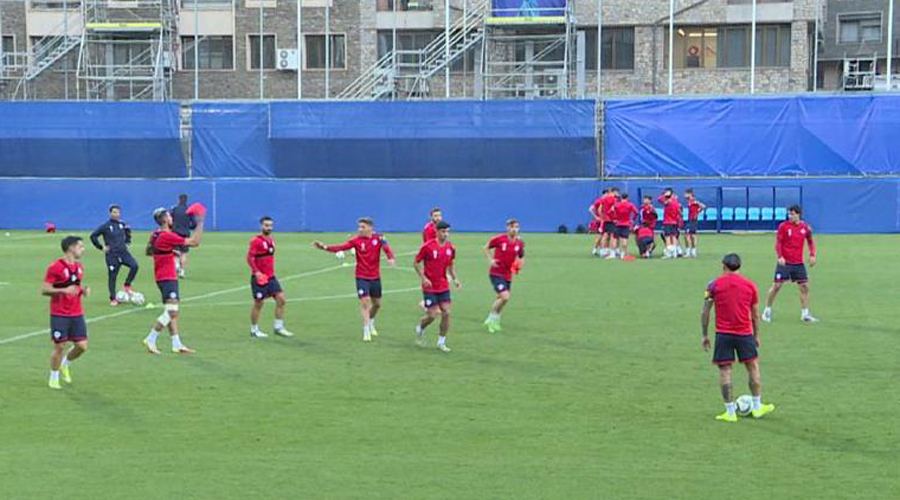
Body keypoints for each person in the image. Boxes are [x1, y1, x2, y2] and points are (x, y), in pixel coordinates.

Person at [701, 253, 775, 422]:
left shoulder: (712, 285)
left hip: (723, 334)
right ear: (740, 267)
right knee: (753, 367)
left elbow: (705, 311)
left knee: (725, 370)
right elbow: (755, 315)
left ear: (723, 266)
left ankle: (730, 412)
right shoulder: (750, 286)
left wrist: (705, 335)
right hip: (744, 333)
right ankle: (757, 407)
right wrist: (756, 335)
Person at [314, 217, 396, 342]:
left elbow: (387, 248)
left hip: (375, 277)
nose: (360, 229)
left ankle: (371, 321)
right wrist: (324, 247)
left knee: (377, 304)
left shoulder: (379, 238)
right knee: (365, 302)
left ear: (370, 227)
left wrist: (390, 258)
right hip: (361, 276)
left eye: (363, 227)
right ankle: (366, 330)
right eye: (359, 227)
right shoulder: (356, 241)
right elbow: (340, 247)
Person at [143, 207, 204, 355]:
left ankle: (176, 344)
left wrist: (168, 252)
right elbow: (195, 242)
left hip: (161, 275)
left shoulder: (155, 234)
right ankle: (151, 338)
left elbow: (149, 251)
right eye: (169, 216)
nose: (171, 217)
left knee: (171, 312)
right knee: (172, 311)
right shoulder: (167, 236)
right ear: (164, 219)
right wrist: (200, 222)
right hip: (167, 276)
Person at [43, 236, 90, 390]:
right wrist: (63, 290)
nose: (83, 249)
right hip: (59, 313)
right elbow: (45, 289)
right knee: (60, 346)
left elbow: (75, 286)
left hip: (76, 312)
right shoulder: (55, 267)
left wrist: (82, 291)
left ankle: (65, 364)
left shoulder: (79, 267)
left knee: (82, 346)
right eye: (80, 246)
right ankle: (53, 377)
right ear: (71, 247)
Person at [762, 205, 818, 323]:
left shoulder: (805, 228)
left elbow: (810, 241)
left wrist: (812, 255)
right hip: (785, 263)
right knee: (776, 286)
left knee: (804, 287)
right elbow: (778, 243)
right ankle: (767, 311)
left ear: (798, 215)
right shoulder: (783, 226)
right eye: (789, 214)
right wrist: (780, 256)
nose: (790, 216)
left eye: (792, 214)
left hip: (798, 263)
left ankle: (805, 314)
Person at [414, 221, 460, 352]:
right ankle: (420, 328)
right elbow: (416, 263)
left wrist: (455, 279)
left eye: (447, 231)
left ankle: (441, 342)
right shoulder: (428, 246)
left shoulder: (451, 248)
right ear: (437, 232)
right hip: (429, 286)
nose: (446, 234)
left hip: (443, 285)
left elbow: (451, 265)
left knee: (446, 312)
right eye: (443, 231)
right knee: (432, 315)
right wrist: (423, 278)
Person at [247, 216, 293, 339]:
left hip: (271, 277)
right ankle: (254, 330)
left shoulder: (271, 240)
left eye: (270, 225)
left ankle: (278, 327)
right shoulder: (256, 241)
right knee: (259, 304)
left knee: (281, 299)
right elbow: (249, 258)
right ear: (261, 226)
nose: (269, 228)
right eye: (266, 225)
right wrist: (257, 272)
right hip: (259, 278)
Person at [90, 204, 140, 306]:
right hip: (112, 255)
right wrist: (101, 247)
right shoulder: (105, 226)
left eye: (118, 212)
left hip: (124, 253)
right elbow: (93, 236)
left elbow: (128, 233)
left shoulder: (122, 224)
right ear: (110, 213)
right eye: (114, 212)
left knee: (134, 266)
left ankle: (127, 285)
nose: (116, 214)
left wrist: (128, 241)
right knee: (112, 276)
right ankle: (113, 298)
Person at [483, 219, 525, 333]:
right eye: (512, 227)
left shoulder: (519, 243)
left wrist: (518, 266)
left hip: (508, 275)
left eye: (516, 227)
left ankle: (495, 320)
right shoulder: (499, 239)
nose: (514, 229)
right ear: (507, 228)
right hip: (496, 273)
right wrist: (490, 260)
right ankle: (491, 319)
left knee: (501, 298)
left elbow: (521, 256)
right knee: (505, 297)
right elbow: (485, 247)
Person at [170, 194, 196, 278]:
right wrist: (189, 227)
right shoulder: (189, 210)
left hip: (175, 233)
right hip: (185, 234)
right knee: (184, 253)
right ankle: (182, 271)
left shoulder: (174, 209)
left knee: (175, 252)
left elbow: (170, 220)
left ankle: (176, 264)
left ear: (179, 200)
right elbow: (194, 223)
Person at [610, 193, 638, 259]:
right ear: (627, 198)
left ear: (621, 198)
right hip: (626, 224)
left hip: (618, 224)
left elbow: (610, 212)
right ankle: (623, 254)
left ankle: (613, 254)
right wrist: (632, 220)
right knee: (624, 240)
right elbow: (636, 213)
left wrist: (614, 218)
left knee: (615, 239)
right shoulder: (630, 204)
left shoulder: (617, 204)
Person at [657, 188, 682, 259]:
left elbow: (659, 199)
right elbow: (679, 211)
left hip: (667, 222)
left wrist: (663, 195)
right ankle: (674, 253)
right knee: (674, 236)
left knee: (668, 237)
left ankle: (668, 253)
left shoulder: (667, 201)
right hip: (674, 222)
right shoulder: (676, 201)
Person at [684, 189, 706, 258]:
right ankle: (691, 251)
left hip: (693, 220)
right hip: (690, 219)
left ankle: (690, 251)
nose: (684, 195)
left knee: (689, 235)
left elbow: (703, 206)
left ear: (690, 194)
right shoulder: (689, 201)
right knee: (689, 235)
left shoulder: (694, 201)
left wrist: (698, 212)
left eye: (686, 194)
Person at [588, 189, 609, 256]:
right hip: (601, 221)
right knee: (600, 236)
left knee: (604, 235)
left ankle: (602, 249)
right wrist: (596, 217)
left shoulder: (606, 201)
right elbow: (590, 209)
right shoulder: (599, 200)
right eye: (607, 194)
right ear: (605, 194)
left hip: (605, 220)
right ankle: (596, 249)